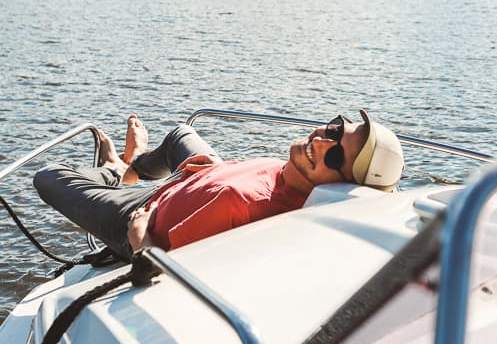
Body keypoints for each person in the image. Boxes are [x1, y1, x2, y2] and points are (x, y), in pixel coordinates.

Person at [34, 110, 404, 260]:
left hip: (139, 214)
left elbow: (164, 267)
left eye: (336, 157)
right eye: (336, 128)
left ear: (339, 186)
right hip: (197, 177)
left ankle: (114, 171)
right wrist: (216, 170)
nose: (323, 141)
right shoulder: (293, 171)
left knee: (49, 176)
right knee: (182, 133)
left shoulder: (242, 202)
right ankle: (134, 163)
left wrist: (138, 240)